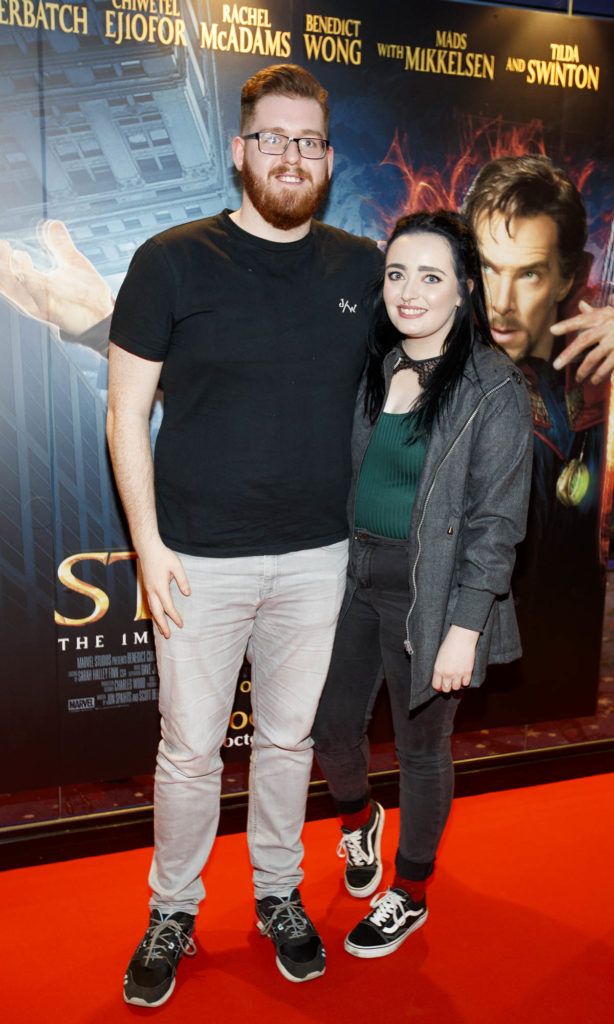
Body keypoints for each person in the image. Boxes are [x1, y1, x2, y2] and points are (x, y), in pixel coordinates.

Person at [106, 63, 382, 1004]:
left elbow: (432, 357)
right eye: (273, 137)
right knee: (187, 751)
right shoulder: (170, 260)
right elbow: (125, 415)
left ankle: (277, 895)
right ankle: (173, 911)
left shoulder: (361, 268)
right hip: (194, 560)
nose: (291, 156)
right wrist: (147, 545)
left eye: (309, 141)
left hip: (319, 559)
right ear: (240, 149)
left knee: (288, 743)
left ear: (329, 157)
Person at [312, 210, 532, 959]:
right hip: (353, 575)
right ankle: (356, 819)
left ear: (464, 290)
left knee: (421, 750)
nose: (409, 292)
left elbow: (497, 526)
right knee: (331, 726)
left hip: (430, 594)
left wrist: (465, 627)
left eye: (431, 277)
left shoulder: (493, 387)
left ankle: (410, 890)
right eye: (397, 274)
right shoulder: (378, 364)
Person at [462, 156, 611, 721]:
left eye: (527, 273)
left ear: (567, 278)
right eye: (487, 267)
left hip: (568, 667)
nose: (499, 301)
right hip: (465, 667)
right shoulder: (439, 353)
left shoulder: (594, 358)